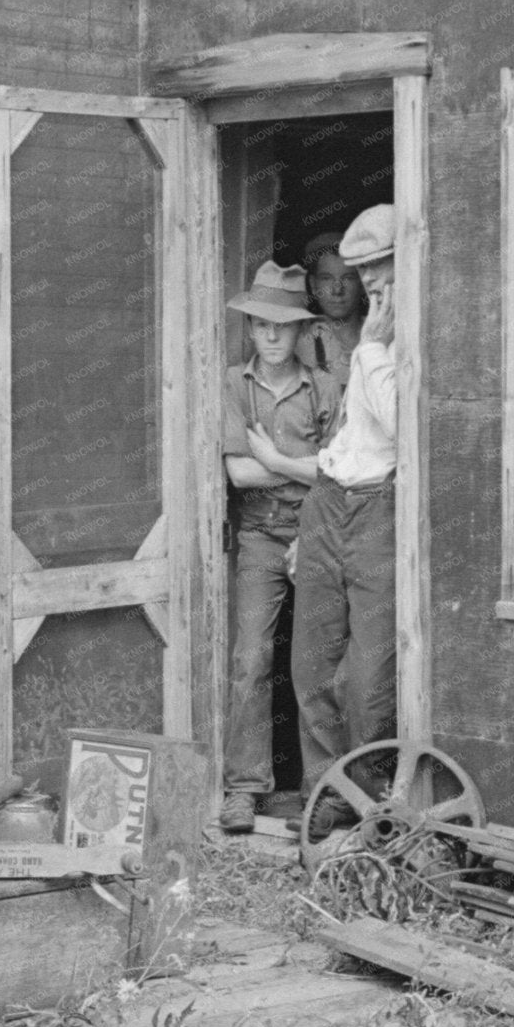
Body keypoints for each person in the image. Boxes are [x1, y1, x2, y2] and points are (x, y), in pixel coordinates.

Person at [217, 262, 342, 834]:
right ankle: (245, 788)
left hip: (318, 531)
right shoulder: (233, 384)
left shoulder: (325, 387)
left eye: (282, 326)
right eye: (260, 325)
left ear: (301, 330)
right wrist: (300, 468)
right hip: (261, 533)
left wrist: (272, 458)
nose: (270, 336)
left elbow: (337, 472)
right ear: (250, 328)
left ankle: (324, 792)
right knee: (252, 658)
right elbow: (239, 475)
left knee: (319, 661)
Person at [290, 205, 401, 839]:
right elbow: (350, 430)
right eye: (364, 272)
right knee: (313, 663)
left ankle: (369, 801)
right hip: (328, 500)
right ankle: (325, 795)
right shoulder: (372, 331)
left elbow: (401, 423)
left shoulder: (402, 333)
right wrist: (309, 525)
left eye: (380, 268)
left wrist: (374, 349)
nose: (370, 283)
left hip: (379, 506)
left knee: (367, 675)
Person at [296, 230, 366, 390]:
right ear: (313, 285)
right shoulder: (299, 343)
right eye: (326, 278)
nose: (337, 290)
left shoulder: (382, 335)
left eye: (348, 278)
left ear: (363, 283)